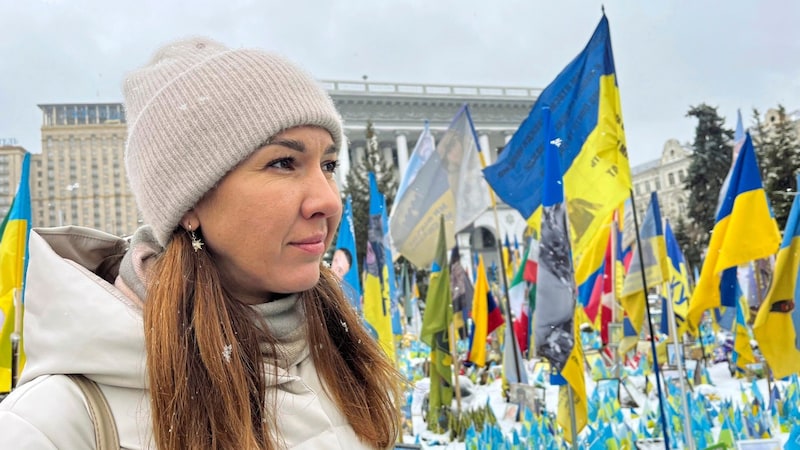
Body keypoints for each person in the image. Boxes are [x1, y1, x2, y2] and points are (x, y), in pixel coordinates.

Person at [0, 37, 403, 449]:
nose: (329, 201)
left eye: (328, 165)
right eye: (283, 163)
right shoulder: (51, 426)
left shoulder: (346, 362)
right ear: (189, 202)